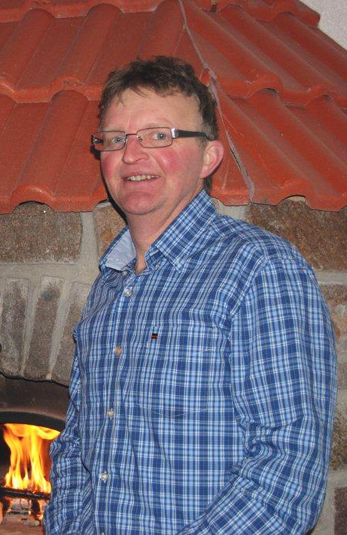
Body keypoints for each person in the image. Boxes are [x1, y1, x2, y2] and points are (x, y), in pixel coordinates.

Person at [45, 56, 336, 534]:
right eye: (116, 139)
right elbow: (77, 442)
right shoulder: (110, 285)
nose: (132, 155)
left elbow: (287, 472)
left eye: (159, 136)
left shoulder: (259, 270)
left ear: (208, 157)